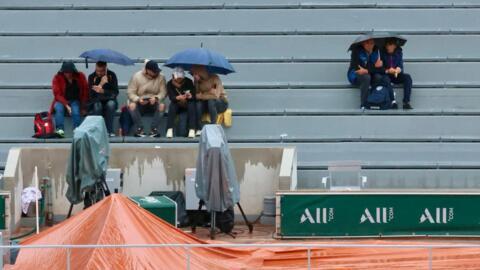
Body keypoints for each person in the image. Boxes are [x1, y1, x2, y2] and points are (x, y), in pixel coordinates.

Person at [347, 38, 397, 109]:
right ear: (363, 43)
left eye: (371, 43)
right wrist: (374, 66)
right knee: (366, 77)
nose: (369, 45)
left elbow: (379, 69)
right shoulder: (356, 51)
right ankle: (363, 104)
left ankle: (375, 100)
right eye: (367, 43)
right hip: (354, 74)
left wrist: (371, 69)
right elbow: (358, 68)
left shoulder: (377, 51)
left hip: (370, 73)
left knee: (379, 77)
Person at [127, 60, 167, 137]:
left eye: (157, 71)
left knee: (162, 106)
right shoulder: (136, 76)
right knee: (131, 106)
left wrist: (156, 98)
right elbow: (130, 92)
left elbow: (163, 92)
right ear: (148, 70)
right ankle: (139, 129)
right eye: (154, 71)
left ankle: (154, 129)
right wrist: (138, 99)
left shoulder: (161, 77)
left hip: (154, 102)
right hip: (140, 102)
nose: (156, 73)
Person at [50, 61, 89, 137]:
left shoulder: (80, 76)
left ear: (73, 71)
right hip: (61, 100)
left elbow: (85, 91)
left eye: (70, 72)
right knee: (58, 108)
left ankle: (77, 130)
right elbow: (57, 94)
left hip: (75, 100)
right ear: (63, 72)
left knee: (75, 110)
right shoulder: (57, 78)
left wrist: (84, 107)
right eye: (66, 72)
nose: (68, 74)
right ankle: (60, 131)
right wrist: (66, 105)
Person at [191, 65, 228, 136]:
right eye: (193, 74)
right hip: (206, 103)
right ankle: (199, 128)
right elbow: (196, 95)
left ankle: (213, 126)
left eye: (195, 74)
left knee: (211, 101)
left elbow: (215, 96)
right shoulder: (197, 81)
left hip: (221, 103)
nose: (194, 76)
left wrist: (202, 96)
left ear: (201, 73)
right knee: (198, 104)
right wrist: (197, 84)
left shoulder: (215, 78)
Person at [88, 61, 119, 136]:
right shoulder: (91, 77)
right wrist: (101, 84)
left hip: (110, 100)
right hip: (97, 100)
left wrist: (103, 91)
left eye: (101, 71)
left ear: (105, 69)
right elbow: (91, 95)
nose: (99, 73)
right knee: (97, 106)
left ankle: (109, 130)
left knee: (110, 105)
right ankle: (98, 131)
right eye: (97, 70)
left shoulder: (112, 75)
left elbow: (115, 92)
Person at [382, 38, 413, 110]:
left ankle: (406, 102)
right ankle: (393, 101)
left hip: (396, 74)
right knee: (385, 79)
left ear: (395, 46)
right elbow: (381, 68)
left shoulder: (399, 52)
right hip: (387, 75)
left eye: (390, 45)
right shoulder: (382, 53)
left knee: (407, 77)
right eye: (386, 45)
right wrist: (388, 70)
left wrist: (398, 69)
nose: (387, 47)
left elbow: (400, 65)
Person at [166, 67, 196, 138]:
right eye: (178, 78)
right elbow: (171, 97)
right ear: (173, 77)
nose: (179, 80)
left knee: (192, 105)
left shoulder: (189, 81)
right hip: (177, 103)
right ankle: (169, 129)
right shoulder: (169, 84)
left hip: (187, 103)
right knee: (172, 106)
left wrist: (190, 96)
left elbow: (193, 95)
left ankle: (192, 129)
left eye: (181, 78)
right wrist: (178, 98)